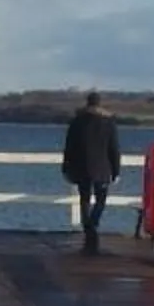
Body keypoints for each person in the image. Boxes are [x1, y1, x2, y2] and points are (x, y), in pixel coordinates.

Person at [60, 89, 121, 254]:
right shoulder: (108, 123)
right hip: (102, 167)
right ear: (99, 103)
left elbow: (69, 147)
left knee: (84, 199)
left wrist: (66, 167)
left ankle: (88, 228)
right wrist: (116, 170)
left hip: (81, 167)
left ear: (87, 102)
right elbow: (114, 149)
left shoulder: (77, 122)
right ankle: (93, 224)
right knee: (101, 200)